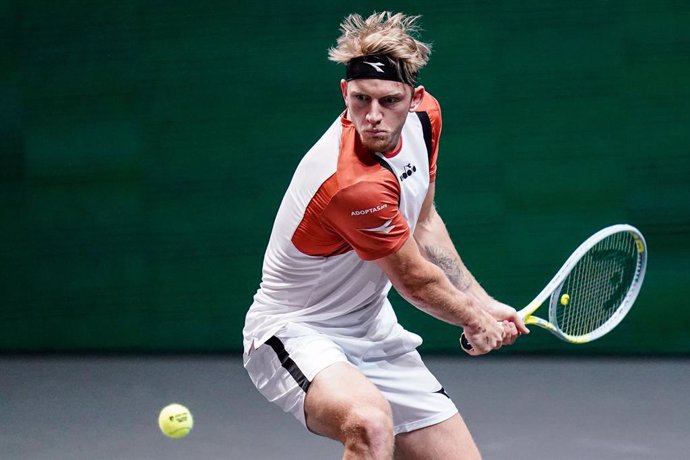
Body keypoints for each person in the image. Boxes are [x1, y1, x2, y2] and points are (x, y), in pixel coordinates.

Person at [242, 11, 529, 459]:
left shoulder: (427, 119)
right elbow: (414, 280)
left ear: (415, 97)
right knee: (369, 422)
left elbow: (425, 222)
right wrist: (474, 319)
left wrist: (483, 301)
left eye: (389, 101)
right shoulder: (353, 182)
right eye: (360, 100)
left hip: (372, 329)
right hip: (297, 332)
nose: (373, 116)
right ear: (344, 92)